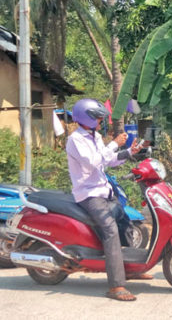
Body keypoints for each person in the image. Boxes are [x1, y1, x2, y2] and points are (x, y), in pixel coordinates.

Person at [66, 98, 149, 302]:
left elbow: (108, 161)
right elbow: (94, 161)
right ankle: (116, 286)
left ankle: (131, 269)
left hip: (104, 191)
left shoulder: (92, 136)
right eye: (98, 118)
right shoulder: (76, 139)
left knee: (124, 220)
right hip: (89, 195)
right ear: (87, 118)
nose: (102, 121)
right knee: (110, 231)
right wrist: (114, 143)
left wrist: (129, 152)